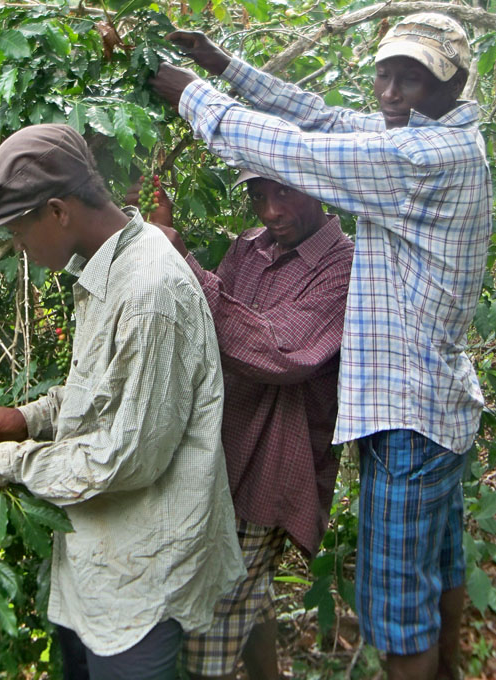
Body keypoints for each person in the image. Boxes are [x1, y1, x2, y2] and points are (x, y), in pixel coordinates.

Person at [148, 13, 492, 680]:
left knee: (396, 613)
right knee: (438, 570)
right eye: (386, 73)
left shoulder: (421, 160)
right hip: (435, 404)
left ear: (454, 84)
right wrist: (223, 65)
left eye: (413, 78)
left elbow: (302, 153)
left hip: (409, 416)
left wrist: (190, 93)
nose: (391, 92)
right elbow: (320, 118)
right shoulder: (422, 134)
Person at [0, 123, 245, 680]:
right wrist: (26, 418)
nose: (19, 246)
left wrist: (1, 463)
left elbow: (125, 455)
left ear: (58, 211)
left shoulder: (147, 293)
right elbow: (100, 392)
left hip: (140, 583)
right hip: (96, 566)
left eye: (18, 230)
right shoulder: (111, 266)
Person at [127, 169, 353, 679]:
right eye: (258, 195)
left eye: (284, 192)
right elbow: (207, 327)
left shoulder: (346, 266)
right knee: (250, 592)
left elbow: (279, 351)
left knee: (212, 623)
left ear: (316, 184)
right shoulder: (250, 246)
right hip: (219, 453)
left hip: (270, 463)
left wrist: (180, 258)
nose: (271, 211)